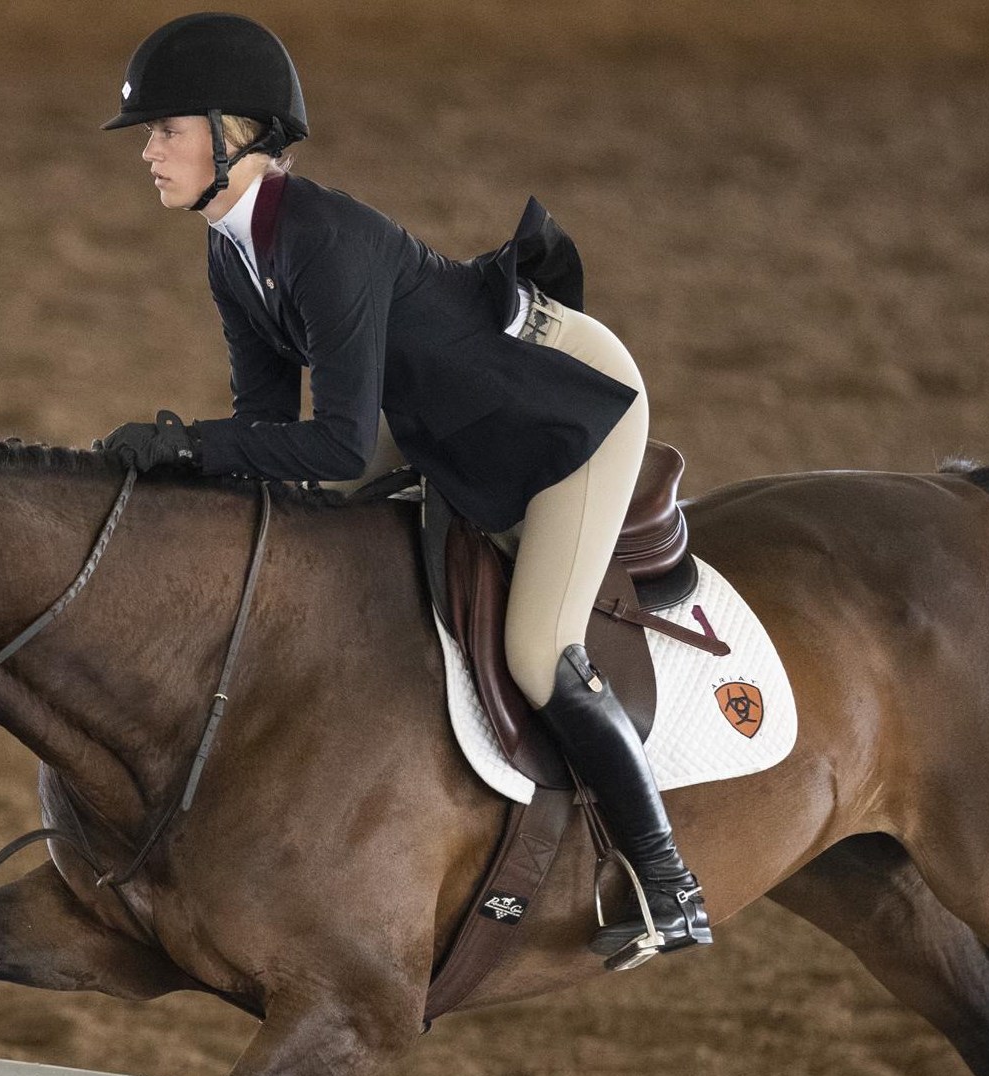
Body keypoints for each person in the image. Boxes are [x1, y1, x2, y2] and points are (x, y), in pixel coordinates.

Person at [98, 12, 710, 968]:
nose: (147, 153)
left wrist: (186, 447)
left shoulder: (320, 239)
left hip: (559, 403)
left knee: (538, 648)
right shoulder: (232, 248)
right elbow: (268, 432)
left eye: (165, 130)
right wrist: (197, 458)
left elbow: (338, 443)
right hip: (440, 411)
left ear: (236, 136)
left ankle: (668, 881)